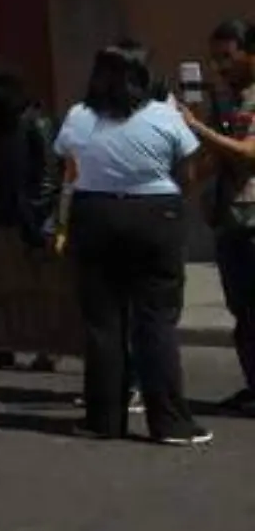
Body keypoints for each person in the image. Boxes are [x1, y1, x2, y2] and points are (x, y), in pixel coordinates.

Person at [54, 43, 209, 445]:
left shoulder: (78, 117)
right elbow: (189, 172)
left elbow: (69, 171)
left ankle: (103, 420)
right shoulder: (164, 116)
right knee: (156, 320)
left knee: (103, 323)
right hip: (155, 212)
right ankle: (170, 422)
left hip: (95, 213)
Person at [180, 19, 255, 414]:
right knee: (242, 312)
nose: (220, 67)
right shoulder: (226, 101)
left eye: (227, 57)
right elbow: (213, 159)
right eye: (214, 60)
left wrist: (197, 127)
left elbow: (247, 152)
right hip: (229, 219)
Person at [0, 67, 61, 371]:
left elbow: (48, 176)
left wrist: (35, 216)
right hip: (2, 214)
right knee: (0, 288)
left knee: (40, 289)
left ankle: (48, 349)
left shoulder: (38, 122)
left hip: (33, 219)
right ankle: (1, 346)